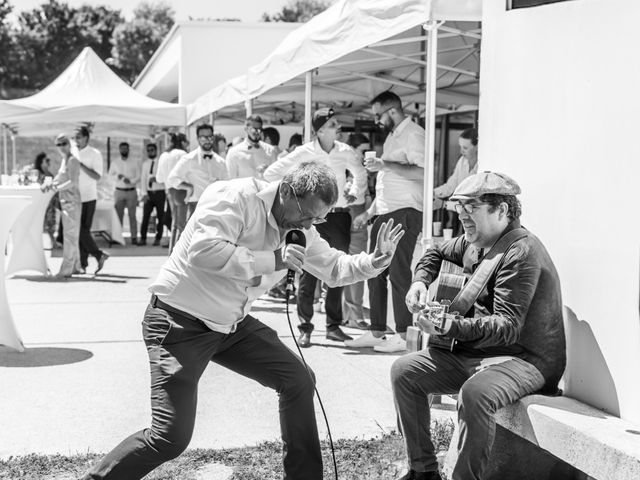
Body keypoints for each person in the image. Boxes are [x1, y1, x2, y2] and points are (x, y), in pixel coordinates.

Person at [81, 162, 405, 480]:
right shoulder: (233, 196)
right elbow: (203, 251)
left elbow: (334, 268)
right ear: (288, 192)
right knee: (169, 438)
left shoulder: (300, 227)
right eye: (307, 215)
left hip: (231, 326)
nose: (310, 224)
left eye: (318, 218)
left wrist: (374, 261)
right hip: (178, 322)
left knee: (298, 380)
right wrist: (272, 260)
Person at [392, 171, 566, 480]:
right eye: (460, 209)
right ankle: (423, 472)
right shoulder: (477, 241)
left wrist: (449, 326)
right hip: (479, 354)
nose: (462, 217)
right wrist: (419, 282)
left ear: (502, 210)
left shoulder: (521, 252)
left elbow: (508, 326)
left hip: (524, 359)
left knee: (475, 394)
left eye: (472, 208)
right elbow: (434, 251)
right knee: (404, 372)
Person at [264, 108, 368, 347]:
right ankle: (305, 327)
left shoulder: (345, 151)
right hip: (309, 216)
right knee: (308, 271)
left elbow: (360, 173)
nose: (338, 126)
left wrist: (354, 192)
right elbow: (272, 173)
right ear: (320, 129)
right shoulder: (304, 152)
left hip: (339, 215)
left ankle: (333, 326)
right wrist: (291, 198)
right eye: (332, 123)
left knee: (336, 267)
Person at [346, 90, 425, 353]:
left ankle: (403, 334)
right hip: (385, 211)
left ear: (392, 111)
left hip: (405, 210)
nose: (376, 120)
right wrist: (369, 213)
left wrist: (384, 164)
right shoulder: (393, 135)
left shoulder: (414, 133)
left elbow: (423, 172)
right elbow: (386, 180)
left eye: (378, 115)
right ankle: (377, 330)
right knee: (374, 270)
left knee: (399, 272)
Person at [342, 132, 374, 329]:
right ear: (353, 149)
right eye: (363, 150)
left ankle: (349, 314)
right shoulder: (349, 168)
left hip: (355, 214)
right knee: (355, 265)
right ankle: (353, 316)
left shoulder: (354, 167)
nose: (365, 155)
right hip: (353, 213)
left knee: (349, 264)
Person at [166, 123, 228, 220]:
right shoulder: (189, 159)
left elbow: (228, 183)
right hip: (195, 207)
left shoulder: (221, 162)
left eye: (210, 137)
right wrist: (188, 187)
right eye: (204, 138)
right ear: (198, 138)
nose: (208, 140)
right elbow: (172, 178)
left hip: (216, 207)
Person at [43, 135, 82, 278]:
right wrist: (52, 183)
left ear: (69, 144)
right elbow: (60, 178)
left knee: (69, 237)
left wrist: (56, 188)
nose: (61, 146)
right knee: (72, 236)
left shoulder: (73, 160)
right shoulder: (66, 160)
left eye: (64, 143)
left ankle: (67, 270)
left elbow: (73, 182)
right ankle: (76, 266)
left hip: (71, 201)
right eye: (58, 144)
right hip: (67, 201)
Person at [74, 126, 109, 274]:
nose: (76, 140)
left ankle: (93, 258)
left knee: (82, 231)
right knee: (80, 232)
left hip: (88, 197)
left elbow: (96, 176)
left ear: (86, 138)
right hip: (75, 196)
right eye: (75, 137)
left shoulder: (95, 153)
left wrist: (81, 165)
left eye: (79, 137)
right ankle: (85, 263)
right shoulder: (73, 153)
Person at [434, 128, 479, 233]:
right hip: (462, 218)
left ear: (477, 147)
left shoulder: (482, 166)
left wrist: (443, 204)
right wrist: (431, 193)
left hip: (477, 220)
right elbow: (451, 186)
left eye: (465, 148)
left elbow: (472, 202)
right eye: (460, 147)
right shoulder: (462, 161)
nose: (461, 151)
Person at [156, 132, 188, 252]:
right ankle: (178, 254)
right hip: (181, 189)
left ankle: (172, 252)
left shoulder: (164, 155)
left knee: (175, 223)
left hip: (169, 190)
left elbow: (159, 178)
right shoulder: (182, 154)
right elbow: (188, 174)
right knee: (182, 224)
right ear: (182, 142)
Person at [225, 115, 277, 179]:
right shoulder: (233, 153)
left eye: (259, 129)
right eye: (254, 129)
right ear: (246, 129)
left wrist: (268, 172)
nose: (257, 132)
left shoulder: (270, 150)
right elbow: (231, 180)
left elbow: (275, 177)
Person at [109, 141, 141, 245]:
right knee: (118, 216)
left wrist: (131, 181)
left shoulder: (134, 162)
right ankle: (118, 238)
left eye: (125, 148)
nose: (124, 150)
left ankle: (134, 237)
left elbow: (138, 176)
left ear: (128, 149)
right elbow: (109, 176)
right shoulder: (115, 162)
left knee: (132, 215)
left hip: (131, 191)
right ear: (119, 150)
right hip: (119, 191)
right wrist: (116, 177)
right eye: (122, 148)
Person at [139, 143, 165, 246]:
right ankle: (143, 238)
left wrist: (157, 180)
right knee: (145, 216)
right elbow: (143, 180)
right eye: (149, 150)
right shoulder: (145, 164)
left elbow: (165, 178)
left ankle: (158, 238)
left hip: (160, 192)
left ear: (156, 151)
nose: (150, 152)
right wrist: (144, 193)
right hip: (149, 193)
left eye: (152, 150)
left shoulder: (161, 163)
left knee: (160, 216)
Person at [34, 152, 59, 249]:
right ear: (41, 162)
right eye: (47, 160)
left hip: (50, 203)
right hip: (41, 202)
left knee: (50, 223)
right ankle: (45, 243)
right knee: (42, 223)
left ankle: (53, 242)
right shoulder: (38, 173)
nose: (49, 162)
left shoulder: (48, 173)